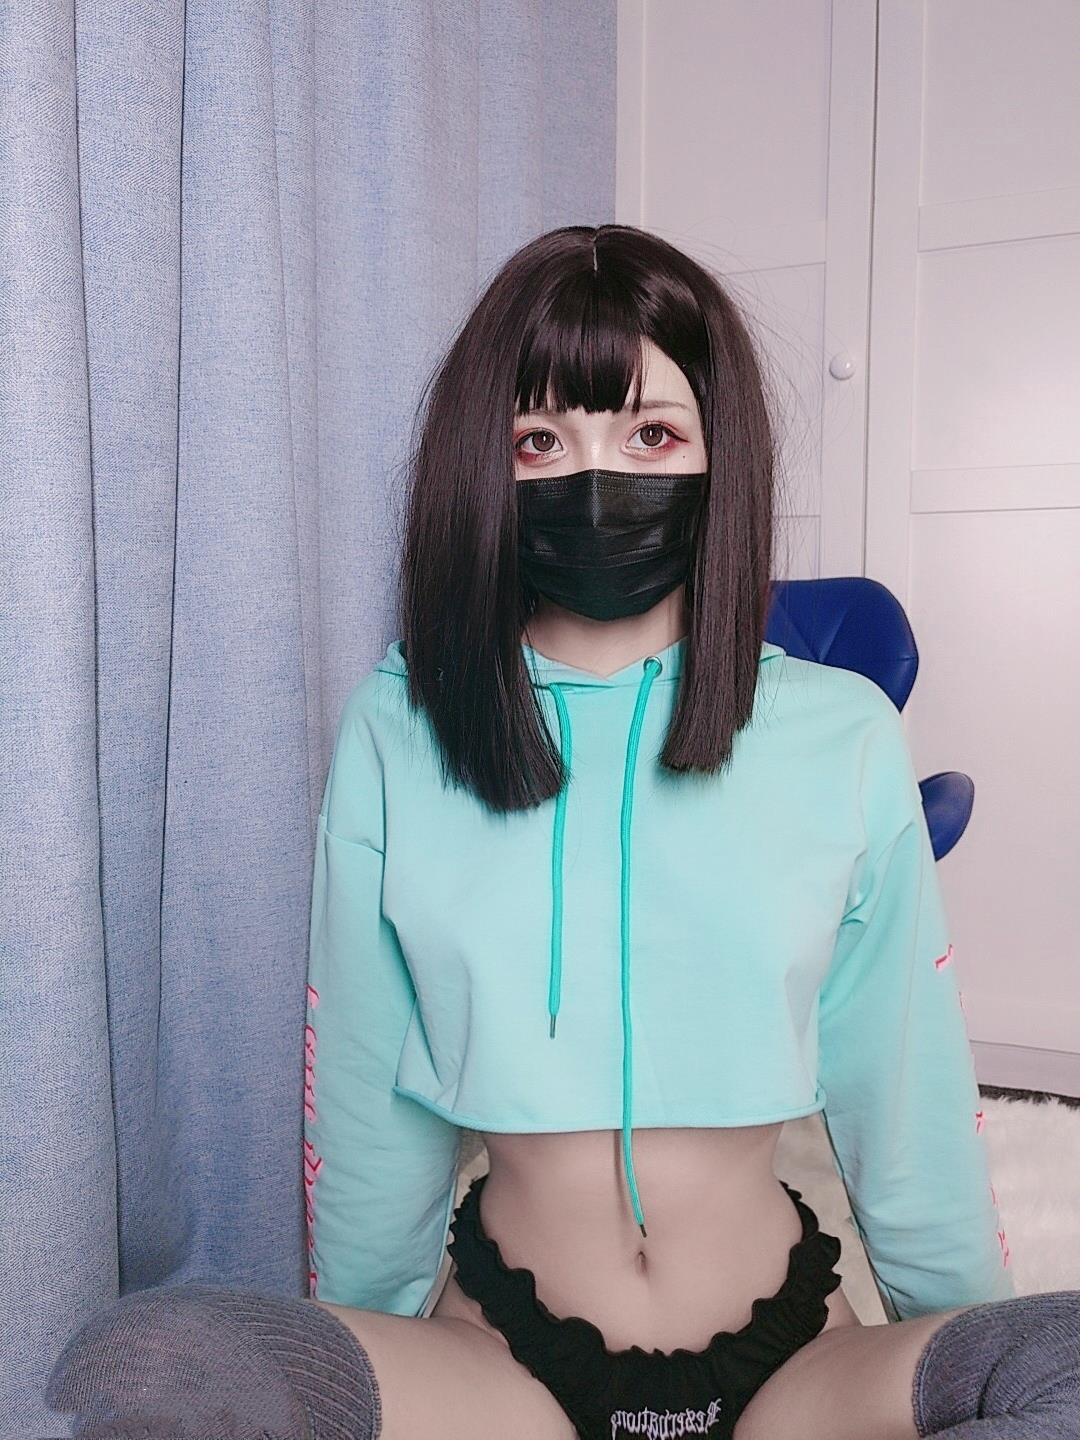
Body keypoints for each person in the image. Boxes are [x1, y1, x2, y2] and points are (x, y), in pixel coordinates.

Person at [45, 224, 1080, 1440]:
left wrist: (969, 1359)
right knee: (147, 1360)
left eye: (650, 435)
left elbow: (901, 1091)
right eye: (539, 441)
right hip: (506, 1364)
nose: (595, 477)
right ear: (484, 472)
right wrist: (354, 1353)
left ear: (719, 453)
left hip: (791, 1367)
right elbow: (368, 1088)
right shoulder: (402, 726)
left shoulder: (841, 734)